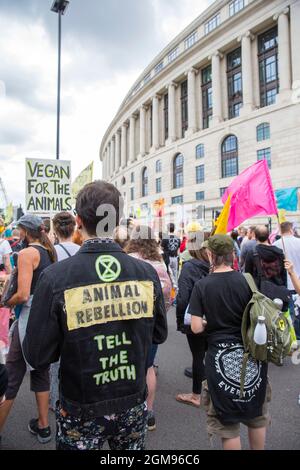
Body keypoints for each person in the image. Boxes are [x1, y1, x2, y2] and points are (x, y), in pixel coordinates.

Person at [23, 181, 168, 451]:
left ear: (79, 220)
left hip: (81, 407)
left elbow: (37, 353)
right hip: (132, 403)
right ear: (117, 220)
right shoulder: (145, 272)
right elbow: (158, 333)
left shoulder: (56, 277)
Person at [189, 235, 270, 451]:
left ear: (210, 255)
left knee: (228, 425)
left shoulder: (202, 285)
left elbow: (195, 327)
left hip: (218, 359)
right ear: (232, 255)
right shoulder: (247, 280)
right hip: (252, 354)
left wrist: (210, 321)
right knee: (256, 414)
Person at [0, 215, 56, 444]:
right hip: (44, 320)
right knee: (40, 372)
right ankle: (44, 427)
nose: (17, 235)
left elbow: (23, 294)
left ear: (25, 231)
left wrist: (5, 302)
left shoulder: (26, 253)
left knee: (11, 375)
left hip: (29, 321)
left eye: (19, 231)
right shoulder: (48, 252)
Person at [125, 225, 171, 431]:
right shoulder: (159, 262)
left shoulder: (127, 259)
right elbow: (170, 292)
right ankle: (148, 412)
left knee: (128, 367)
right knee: (148, 367)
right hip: (152, 324)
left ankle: (128, 412)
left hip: (128, 324)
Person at [49, 212, 80, 411]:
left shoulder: (51, 252)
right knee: (75, 353)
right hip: (77, 306)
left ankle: (54, 399)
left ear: (55, 229)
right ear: (74, 228)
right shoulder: (82, 250)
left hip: (57, 307)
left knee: (55, 359)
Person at [176, 233, 209, 408]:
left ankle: (196, 395)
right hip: (215, 316)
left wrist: (181, 320)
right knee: (211, 353)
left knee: (198, 355)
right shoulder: (215, 265)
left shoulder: (189, 267)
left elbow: (183, 297)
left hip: (195, 315)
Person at [245, 225, 288, 307]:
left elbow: (248, 276)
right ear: (268, 235)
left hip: (260, 295)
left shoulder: (252, 253)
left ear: (255, 236)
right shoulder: (280, 252)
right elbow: (284, 274)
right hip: (279, 295)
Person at [274, 222, 300, 339]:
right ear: (291, 230)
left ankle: (290, 338)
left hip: (285, 284)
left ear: (280, 230)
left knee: (288, 314)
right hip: (296, 282)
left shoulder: (275, 245)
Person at [161, 223, 181, 287]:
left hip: (167, 258)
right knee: (175, 275)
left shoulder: (165, 238)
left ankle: (170, 288)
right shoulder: (178, 238)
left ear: (168, 228)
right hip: (175, 258)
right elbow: (178, 250)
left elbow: (161, 249)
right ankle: (175, 290)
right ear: (174, 229)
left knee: (168, 274)